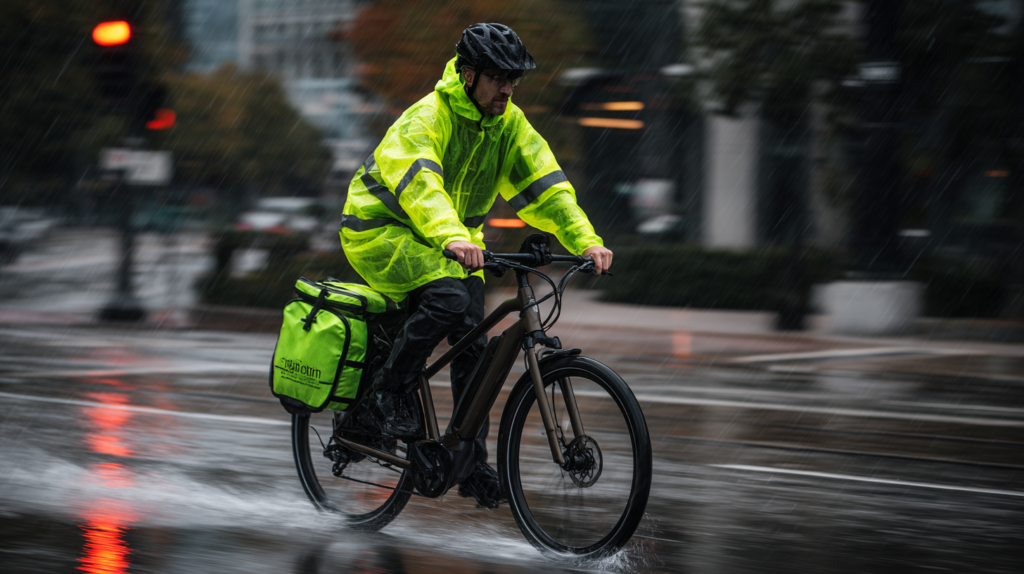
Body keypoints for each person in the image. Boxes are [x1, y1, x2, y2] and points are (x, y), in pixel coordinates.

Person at [339, 23, 612, 509]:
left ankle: (469, 462)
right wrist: (452, 238)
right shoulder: (426, 118)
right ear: (467, 75)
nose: (507, 88)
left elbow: (547, 190)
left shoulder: (509, 125)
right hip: (381, 232)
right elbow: (423, 188)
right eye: (497, 77)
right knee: (448, 296)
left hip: (450, 244)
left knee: (475, 344)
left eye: (513, 79)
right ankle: (386, 394)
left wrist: (586, 241)